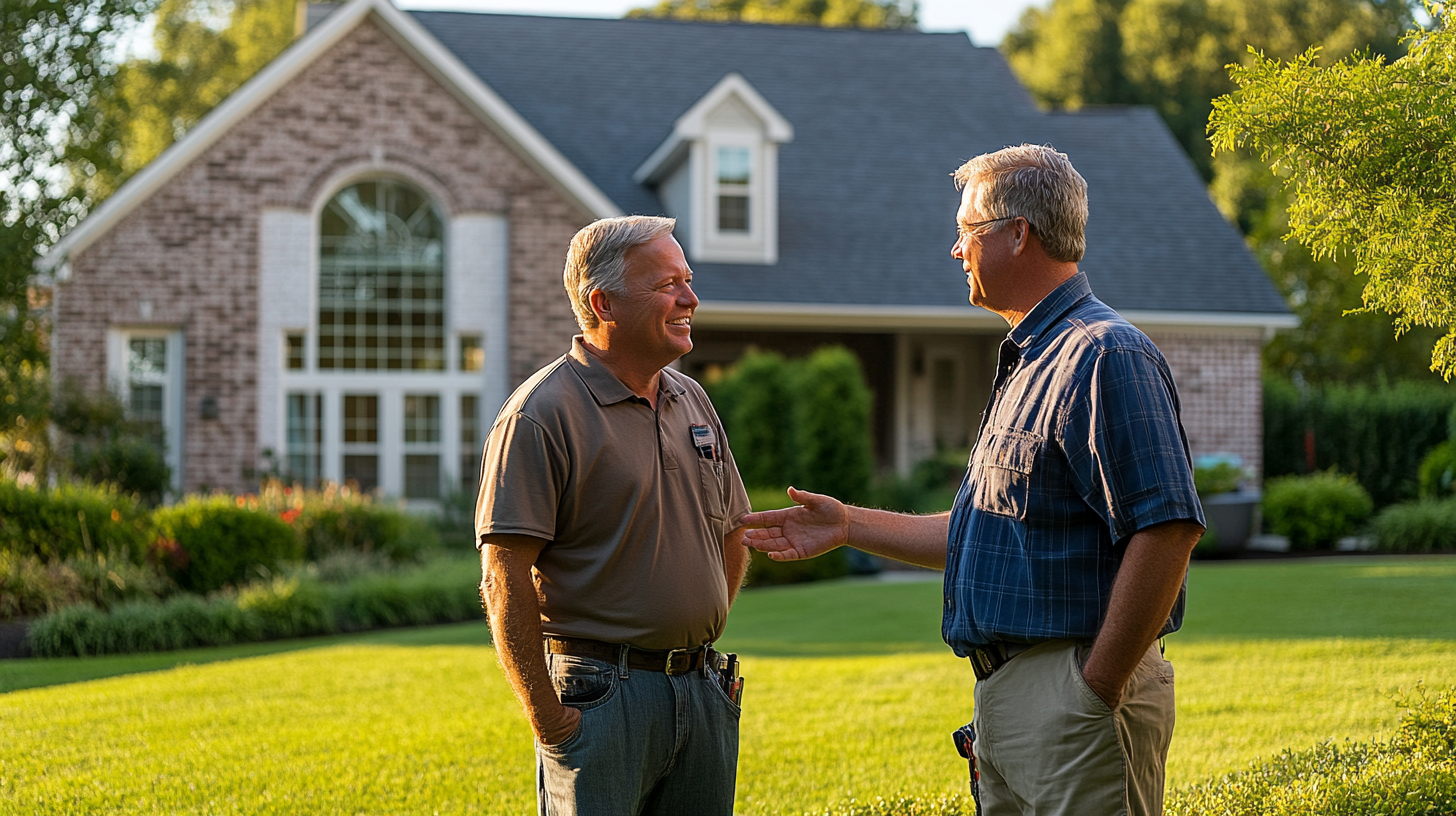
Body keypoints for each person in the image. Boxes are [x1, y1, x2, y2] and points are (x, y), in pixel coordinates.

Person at [743, 144, 1206, 816]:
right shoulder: (1031, 361)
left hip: (1074, 694)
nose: (956, 250)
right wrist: (847, 525)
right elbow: (986, 534)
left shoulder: (1105, 354)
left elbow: (1168, 528)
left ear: (1019, 234)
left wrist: (1093, 689)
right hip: (1010, 699)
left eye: (968, 231)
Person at [475, 215, 752, 816]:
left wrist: (695, 632)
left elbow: (733, 532)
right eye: (666, 285)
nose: (690, 298)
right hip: (601, 699)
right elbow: (504, 579)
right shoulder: (540, 414)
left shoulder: (692, 399)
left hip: (702, 691)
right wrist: (550, 719)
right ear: (603, 302)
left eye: (688, 279)